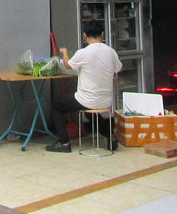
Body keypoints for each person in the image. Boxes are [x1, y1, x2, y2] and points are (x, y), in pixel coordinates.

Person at [47, 20, 122, 153]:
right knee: (89, 112)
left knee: (57, 105)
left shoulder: (83, 52)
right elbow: (119, 68)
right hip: (106, 100)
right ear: (102, 34)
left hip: (86, 99)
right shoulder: (111, 52)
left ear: (85, 35)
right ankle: (110, 136)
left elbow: (68, 66)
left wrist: (64, 53)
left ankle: (64, 143)